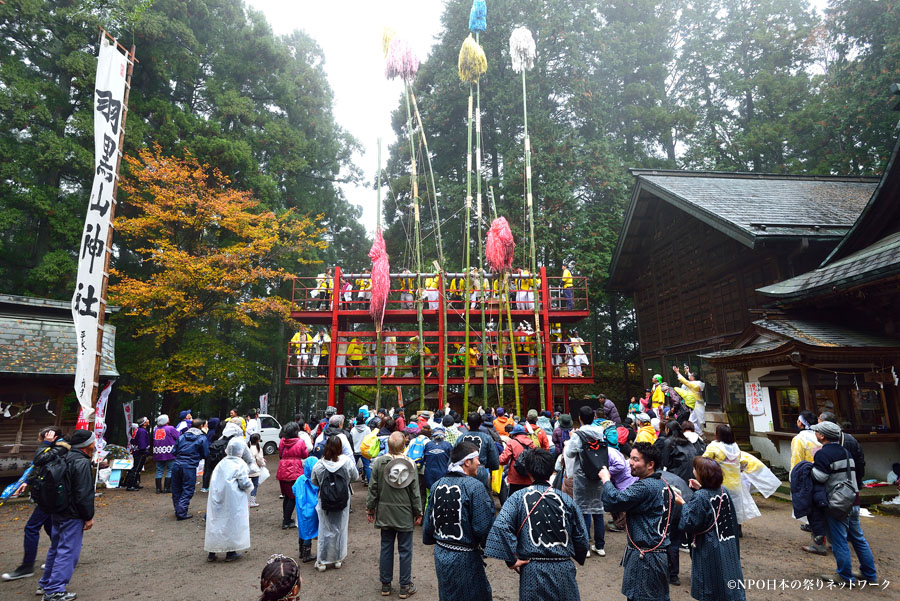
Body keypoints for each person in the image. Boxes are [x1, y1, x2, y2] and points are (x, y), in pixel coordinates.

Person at [485, 449, 589, 601]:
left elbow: (501, 525)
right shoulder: (566, 500)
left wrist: (511, 560)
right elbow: (581, 536)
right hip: (563, 567)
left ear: (528, 471)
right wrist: (578, 555)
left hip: (532, 568)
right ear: (551, 469)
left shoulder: (517, 498)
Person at [600, 442, 674, 601]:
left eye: (635, 459)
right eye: (630, 458)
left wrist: (606, 480)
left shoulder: (645, 486)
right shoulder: (664, 484)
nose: (630, 463)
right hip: (657, 554)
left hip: (646, 558)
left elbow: (615, 500)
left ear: (650, 465)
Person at [423, 441, 494, 601]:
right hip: (465, 556)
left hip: (441, 553)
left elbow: (429, 523)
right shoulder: (475, 487)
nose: (479, 463)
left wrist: (430, 539)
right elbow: (482, 527)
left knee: (448, 594)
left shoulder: (437, 485)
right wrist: (486, 546)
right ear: (467, 462)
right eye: (476, 459)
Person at [809, 421, 877, 585]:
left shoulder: (823, 454)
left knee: (839, 539)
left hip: (837, 503)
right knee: (858, 538)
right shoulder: (846, 452)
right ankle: (869, 573)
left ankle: (845, 576)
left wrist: (809, 468)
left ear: (822, 436)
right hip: (853, 499)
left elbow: (820, 477)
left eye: (817, 431)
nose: (815, 433)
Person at [37, 430, 96, 601]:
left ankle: (46, 583)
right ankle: (54, 589)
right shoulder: (81, 462)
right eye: (93, 440)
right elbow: (83, 494)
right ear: (87, 445)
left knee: (56, 547)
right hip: (73, 513)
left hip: (58, 510)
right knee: (68, 550)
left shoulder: (64, 456)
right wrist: (88, 516)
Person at [2, 427, 64, 583]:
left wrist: (46, 443)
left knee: (31, 528)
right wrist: (28, 481)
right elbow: (42, 469)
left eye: (43, 438)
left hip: (50, 496)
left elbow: (38, 460)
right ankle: (61, 556)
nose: (40, 441)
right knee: (50, 527)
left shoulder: (61, 448)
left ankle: (27, 566)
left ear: (52, 436)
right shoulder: (55, 448)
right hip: (49, 494)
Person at [677, 457, 745, 601]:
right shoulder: (723, 490)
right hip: (727, 543)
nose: (693, 470)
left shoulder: (700, 496)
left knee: (709, 585)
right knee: (728, 582)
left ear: (701, 474)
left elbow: (690, 523)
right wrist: (700, 488)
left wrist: (682, 503)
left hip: (709, 547)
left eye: (695, 468)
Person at [366, 432, 422, 599]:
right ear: (404, 446)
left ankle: (385, 585)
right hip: (404, 513)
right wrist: (418, 511)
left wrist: (370, 508)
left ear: (388, 445)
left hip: (385, 512)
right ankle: (404, 586)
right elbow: (415, 493)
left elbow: (373, 487)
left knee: (386, 548)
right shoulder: (409, 463)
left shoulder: (379, 462)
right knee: (405, 550)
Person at [703, 425, 780, 528]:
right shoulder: (735, 447)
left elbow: (704, 461)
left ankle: (723, 531)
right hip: (736, 484)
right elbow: (741, 462)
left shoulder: (713, 447)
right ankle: (737, 529)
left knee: (721, 507)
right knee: (736, 508)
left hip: (720, 483)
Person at [564, 406, 607, 558]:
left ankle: (586, 547)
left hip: (582, 476)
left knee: (583, 510)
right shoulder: (600, 433)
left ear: (580, 418)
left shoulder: (578, 435)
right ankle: (600, 546)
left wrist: (571, 437)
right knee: (598, 509)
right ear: (594, 418)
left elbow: (569, 453)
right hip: (598, 474)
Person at [310, 436, 358, 571]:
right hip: (343, 498)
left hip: (324, 499)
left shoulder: (319, 464)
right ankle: (338, 558)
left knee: (324, 528)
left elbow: (314, 481)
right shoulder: (347, 462)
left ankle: (322, 560)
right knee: (341, 528)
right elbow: (355, 477)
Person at [205, 437, 253, 562]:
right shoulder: (240, 464)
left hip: (217, 498)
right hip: (233, 499)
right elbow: (244, 482)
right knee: (232, 522)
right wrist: (250, 487)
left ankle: (212, 551)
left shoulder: (221, 463)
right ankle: (230, 552)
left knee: (216, 522)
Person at [171, 418, 209, 520]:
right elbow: (206, 454)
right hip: (190, 466)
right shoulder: (202, 438)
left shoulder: (182, 436)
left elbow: (174, 451)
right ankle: (181, 512)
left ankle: (178, 509)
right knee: (188, 489)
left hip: (177, 465)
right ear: (201, 426)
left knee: (176, 488)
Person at [456, 412, 500, 493]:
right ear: (480, 423)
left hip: (463, 471)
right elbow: (494, 462)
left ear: (468, 423)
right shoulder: (487, 438)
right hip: (480, 471)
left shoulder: (461, 438)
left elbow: (453, 458)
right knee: (482, 498)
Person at [278, 422, 310, 529]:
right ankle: (286, 521)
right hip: (295, 470)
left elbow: (280, 453)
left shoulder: (282, 441)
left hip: (283, 469)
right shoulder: (300, 442)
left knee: (287, 496)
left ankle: (286, 518)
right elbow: (305, 454)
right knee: (292, 496)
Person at [294, 456, 320, 564]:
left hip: (301, 509)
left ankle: (301, 551)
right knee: (309, 531)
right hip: (312, 509)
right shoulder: (315, 481)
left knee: (302, 530)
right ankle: (306, 554)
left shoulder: (300, 479)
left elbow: (294, 490)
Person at [499, 424, 536, 494]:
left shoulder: (512, 443)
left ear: (514, 434)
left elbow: (503, 460)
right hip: (529, 477)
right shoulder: (531, 443)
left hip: (515, 478)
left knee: (514, 500)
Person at [152, 414, 180, 494]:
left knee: (159, 470)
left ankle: (158, 489)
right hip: (169, 452)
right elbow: (178, 436)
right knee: (170, 470)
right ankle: (167, 488)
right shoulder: (170, 428)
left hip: (158, 452)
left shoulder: (155, 429)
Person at [673, 366, 706, 433]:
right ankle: (699, 434)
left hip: (695, 405)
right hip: (698, 404)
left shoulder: (694, 384)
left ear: (694, 378)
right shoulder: (698, 383)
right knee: (698, 421)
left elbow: (685, 381)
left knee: (691, 421)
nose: (689, 376)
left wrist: (677, 372)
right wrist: (688, 372)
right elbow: (690, 380)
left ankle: (701, 434)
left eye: (691, 375)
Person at [422, 426, 453, 495]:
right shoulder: (447, 445)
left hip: (429, 476)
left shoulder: (428, 445)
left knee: (430, 496)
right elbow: (452, 461)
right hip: (443, 476)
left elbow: (424, 459)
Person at [790, 410, 821, 474]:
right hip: (822, 472)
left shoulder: (799, 439)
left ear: (800, 423)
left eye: (798, 420)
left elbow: (797, 459)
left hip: (807, 474)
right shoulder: (821, 436)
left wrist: (794, 476)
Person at [124, 417, 150, 491]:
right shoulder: (142, 431)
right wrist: (144, 450)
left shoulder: (138, 430)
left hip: (137, 451)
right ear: (144, 423)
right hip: (139, 452)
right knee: (136, 468)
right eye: (147, 420)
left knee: (137, 468)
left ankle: (135, 483)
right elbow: (142, 442)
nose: (148, 421)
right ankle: (130, 485)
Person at [350, 415, 372, 484]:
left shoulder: (353, 430)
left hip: (355, 451)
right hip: (364, 450)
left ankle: (349, 481)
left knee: (352, 465)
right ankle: (370, 482)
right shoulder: (368, 429)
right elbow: (370, 440)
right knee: (367, 467)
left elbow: (351, 440)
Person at [248, 433, 266, 508]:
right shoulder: (258, 449)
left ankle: (247, 500)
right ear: (258, 440)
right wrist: (263, 464)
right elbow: (260, 459)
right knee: (255, 485)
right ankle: (252, 501)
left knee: (247, 485)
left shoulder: (247, 447)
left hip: (246, 470)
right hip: (255, 470)